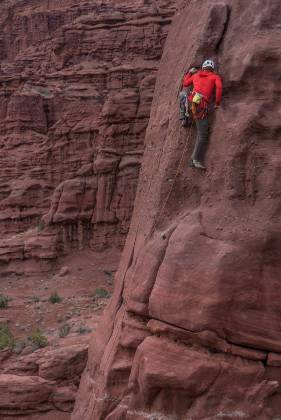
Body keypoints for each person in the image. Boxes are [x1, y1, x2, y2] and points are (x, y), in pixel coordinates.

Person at [182, 59, 223, 169]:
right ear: (212, 69)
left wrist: (190, 72)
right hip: (200, 107)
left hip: (190, 103)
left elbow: (185, 83)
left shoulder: (196, 75)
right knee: (203, 135)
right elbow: (219, 88)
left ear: (203, 67)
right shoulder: (215, 77)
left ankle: (184, 116)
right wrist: (217, 103)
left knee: (183, 95)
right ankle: (196, 160)